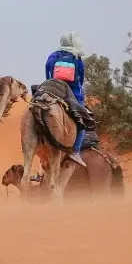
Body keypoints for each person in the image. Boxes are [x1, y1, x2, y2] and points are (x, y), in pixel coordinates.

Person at [45, 31, 87, 166]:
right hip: (73, 96)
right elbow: (81, 81)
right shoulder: (77, 60)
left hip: (52, 92)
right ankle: (75, 151)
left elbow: (48, 74)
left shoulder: (53, 57)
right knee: (83, 122)